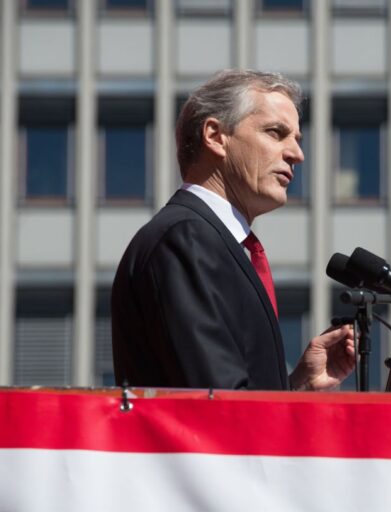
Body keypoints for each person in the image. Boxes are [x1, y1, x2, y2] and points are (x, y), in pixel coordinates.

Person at [111, 70, 355, 391]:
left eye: (296, 139)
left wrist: (297, 386)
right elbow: (219, 407)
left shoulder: (211, 240)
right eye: (275, 132)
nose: (297, 154)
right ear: (214, 136)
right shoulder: (186, 238)